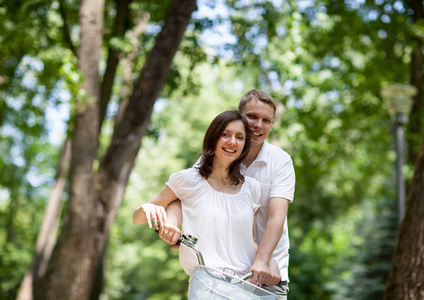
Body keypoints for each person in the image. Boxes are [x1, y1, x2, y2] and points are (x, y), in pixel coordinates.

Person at [161, 90, 295, 299]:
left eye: (266, 120)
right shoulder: (218, 155)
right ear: (239, 116)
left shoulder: (281, 161)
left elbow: (276, 217)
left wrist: (263, 259)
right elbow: (181, 193)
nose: (258, 125)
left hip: (266, 272)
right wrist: (171, 222)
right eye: (252, 117)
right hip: (218, 275)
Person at [133, 110, 280, 285]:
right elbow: (137, 219)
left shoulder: (252, 188)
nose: (232, 142)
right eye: (225, 134)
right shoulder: (187, 180)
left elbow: (251, 242)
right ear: (213, 137)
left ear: (244, 145)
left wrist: (270, 262)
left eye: (239, 137)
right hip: (205, 286)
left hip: (244, 287)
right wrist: (146, 208)